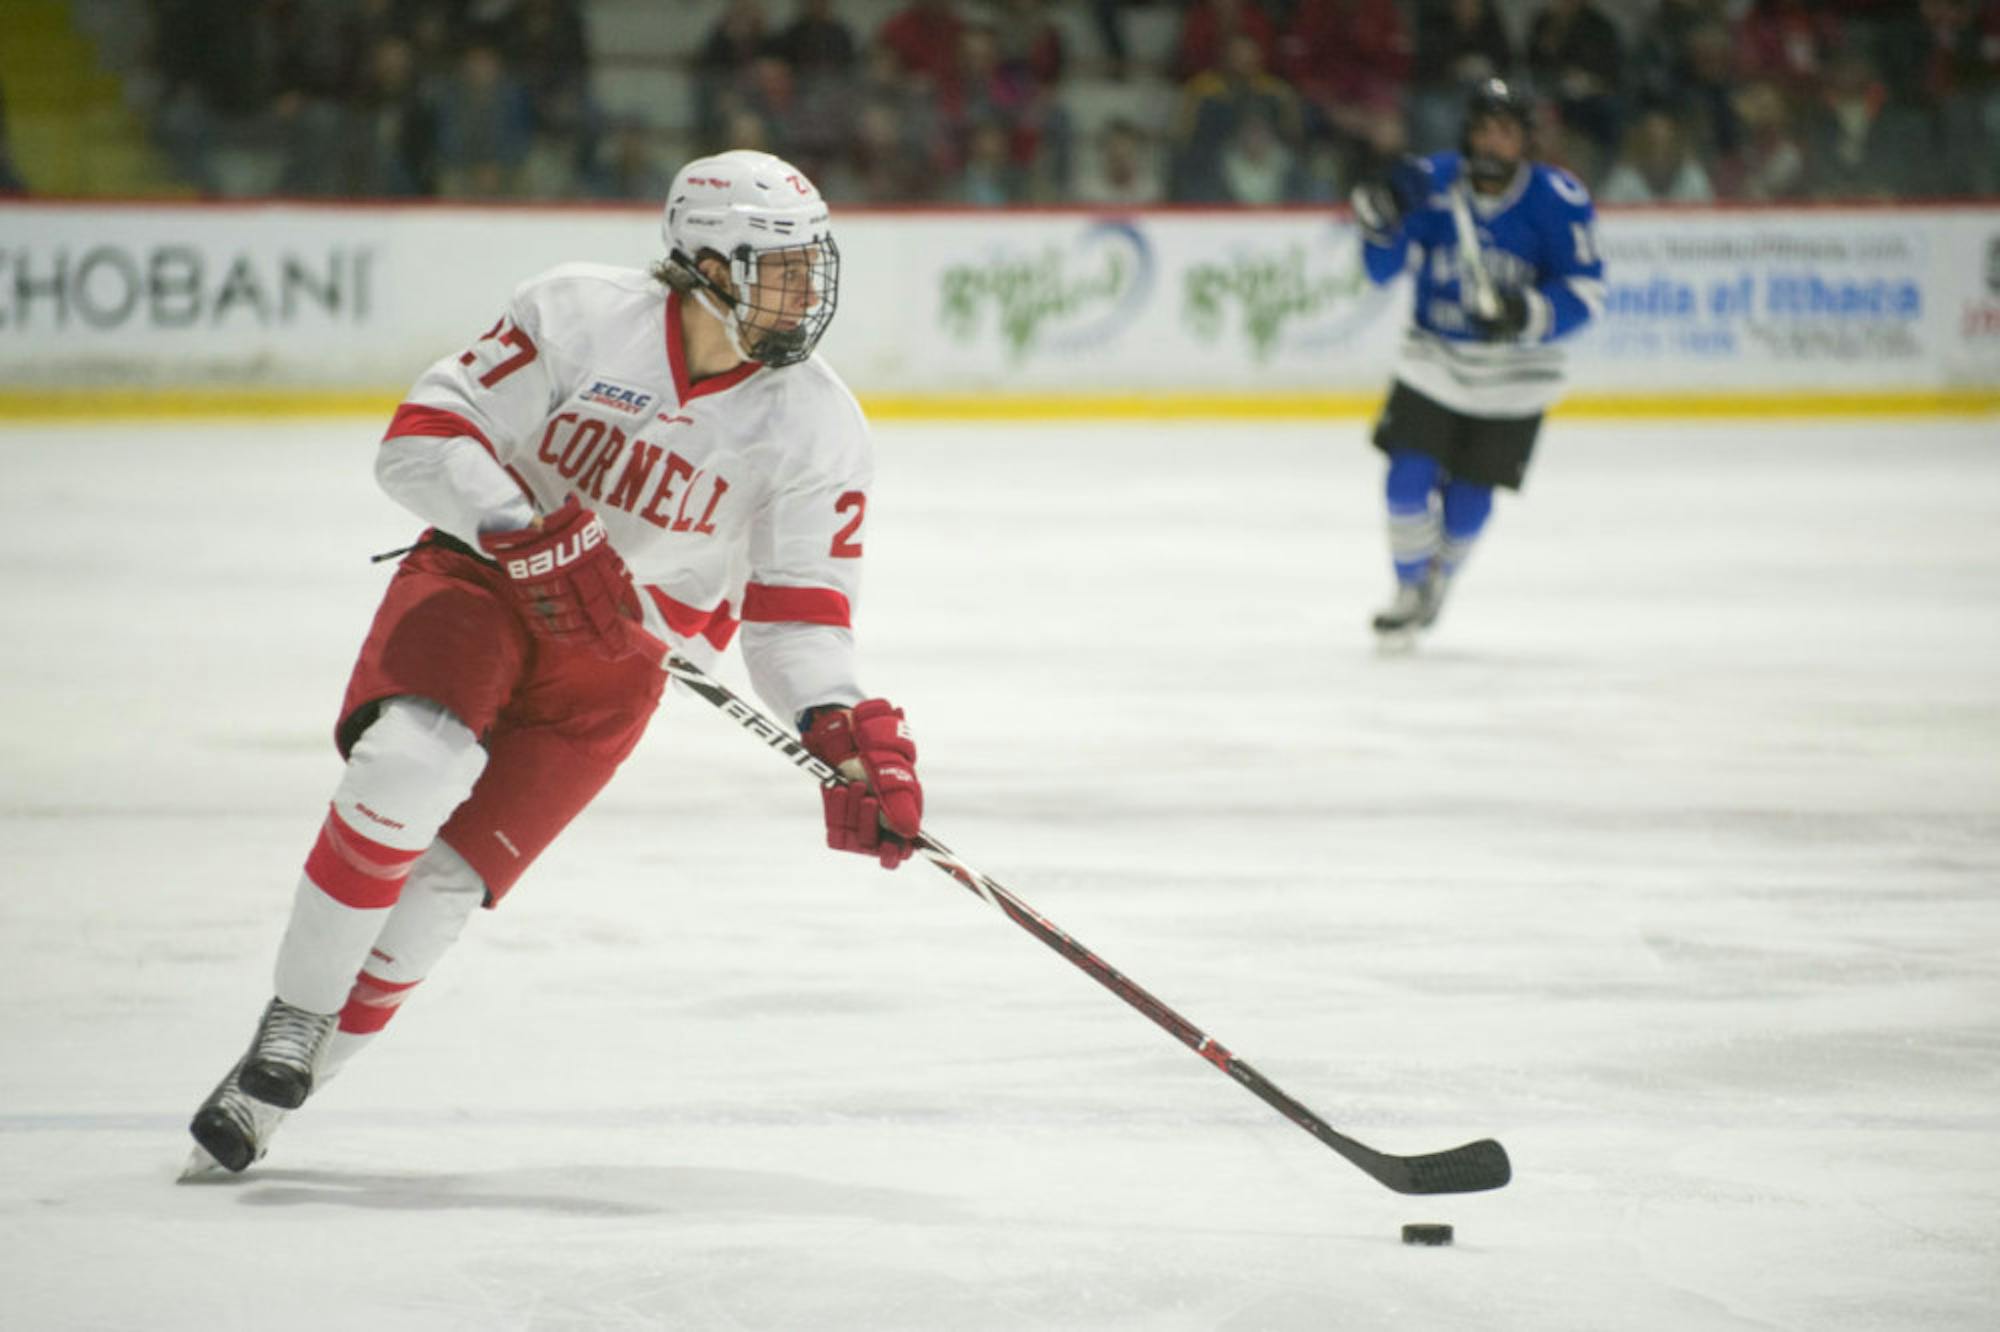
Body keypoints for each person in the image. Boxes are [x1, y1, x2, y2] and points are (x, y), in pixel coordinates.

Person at [185, 149, 925, 1176]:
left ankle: (260, 1110)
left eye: (812, 263)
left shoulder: (817, 426)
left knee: (449, 886)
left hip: (616, 666)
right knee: (411, 763)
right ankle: (295, 1020)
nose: (807, 289)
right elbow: (416, 442)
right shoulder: (576, 312)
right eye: (779, 264)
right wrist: (516, 526)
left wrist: (838, 726)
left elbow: (794, 620)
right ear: (704, 261)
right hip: (483, 588)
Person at [1348, 79, 1605, 642]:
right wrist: (1378, 227)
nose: (1491, 143)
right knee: (1406, 481)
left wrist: (1526, 313)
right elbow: (1382, 271)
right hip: (1434, 361)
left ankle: (1439, 579)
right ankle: (1408, 588)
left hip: (1515, 379)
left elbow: (1586, 294)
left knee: (1468, 502)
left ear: (1526, 142)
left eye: (1506, 132)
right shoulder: (1431, 182)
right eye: (1483, 129)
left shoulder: (1557, 200)